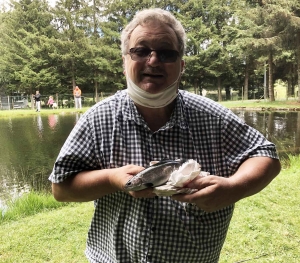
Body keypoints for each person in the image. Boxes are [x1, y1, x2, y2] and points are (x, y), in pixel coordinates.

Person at [49, 8, 281, 263]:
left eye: (166, 52)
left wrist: (233, 188)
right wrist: (112, 179)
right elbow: (61, 188)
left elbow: (266, 156)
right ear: (124, 62)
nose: (153, 60)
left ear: (181, 65)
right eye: (141, 50)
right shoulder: (98, 118)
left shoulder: (213, 116)